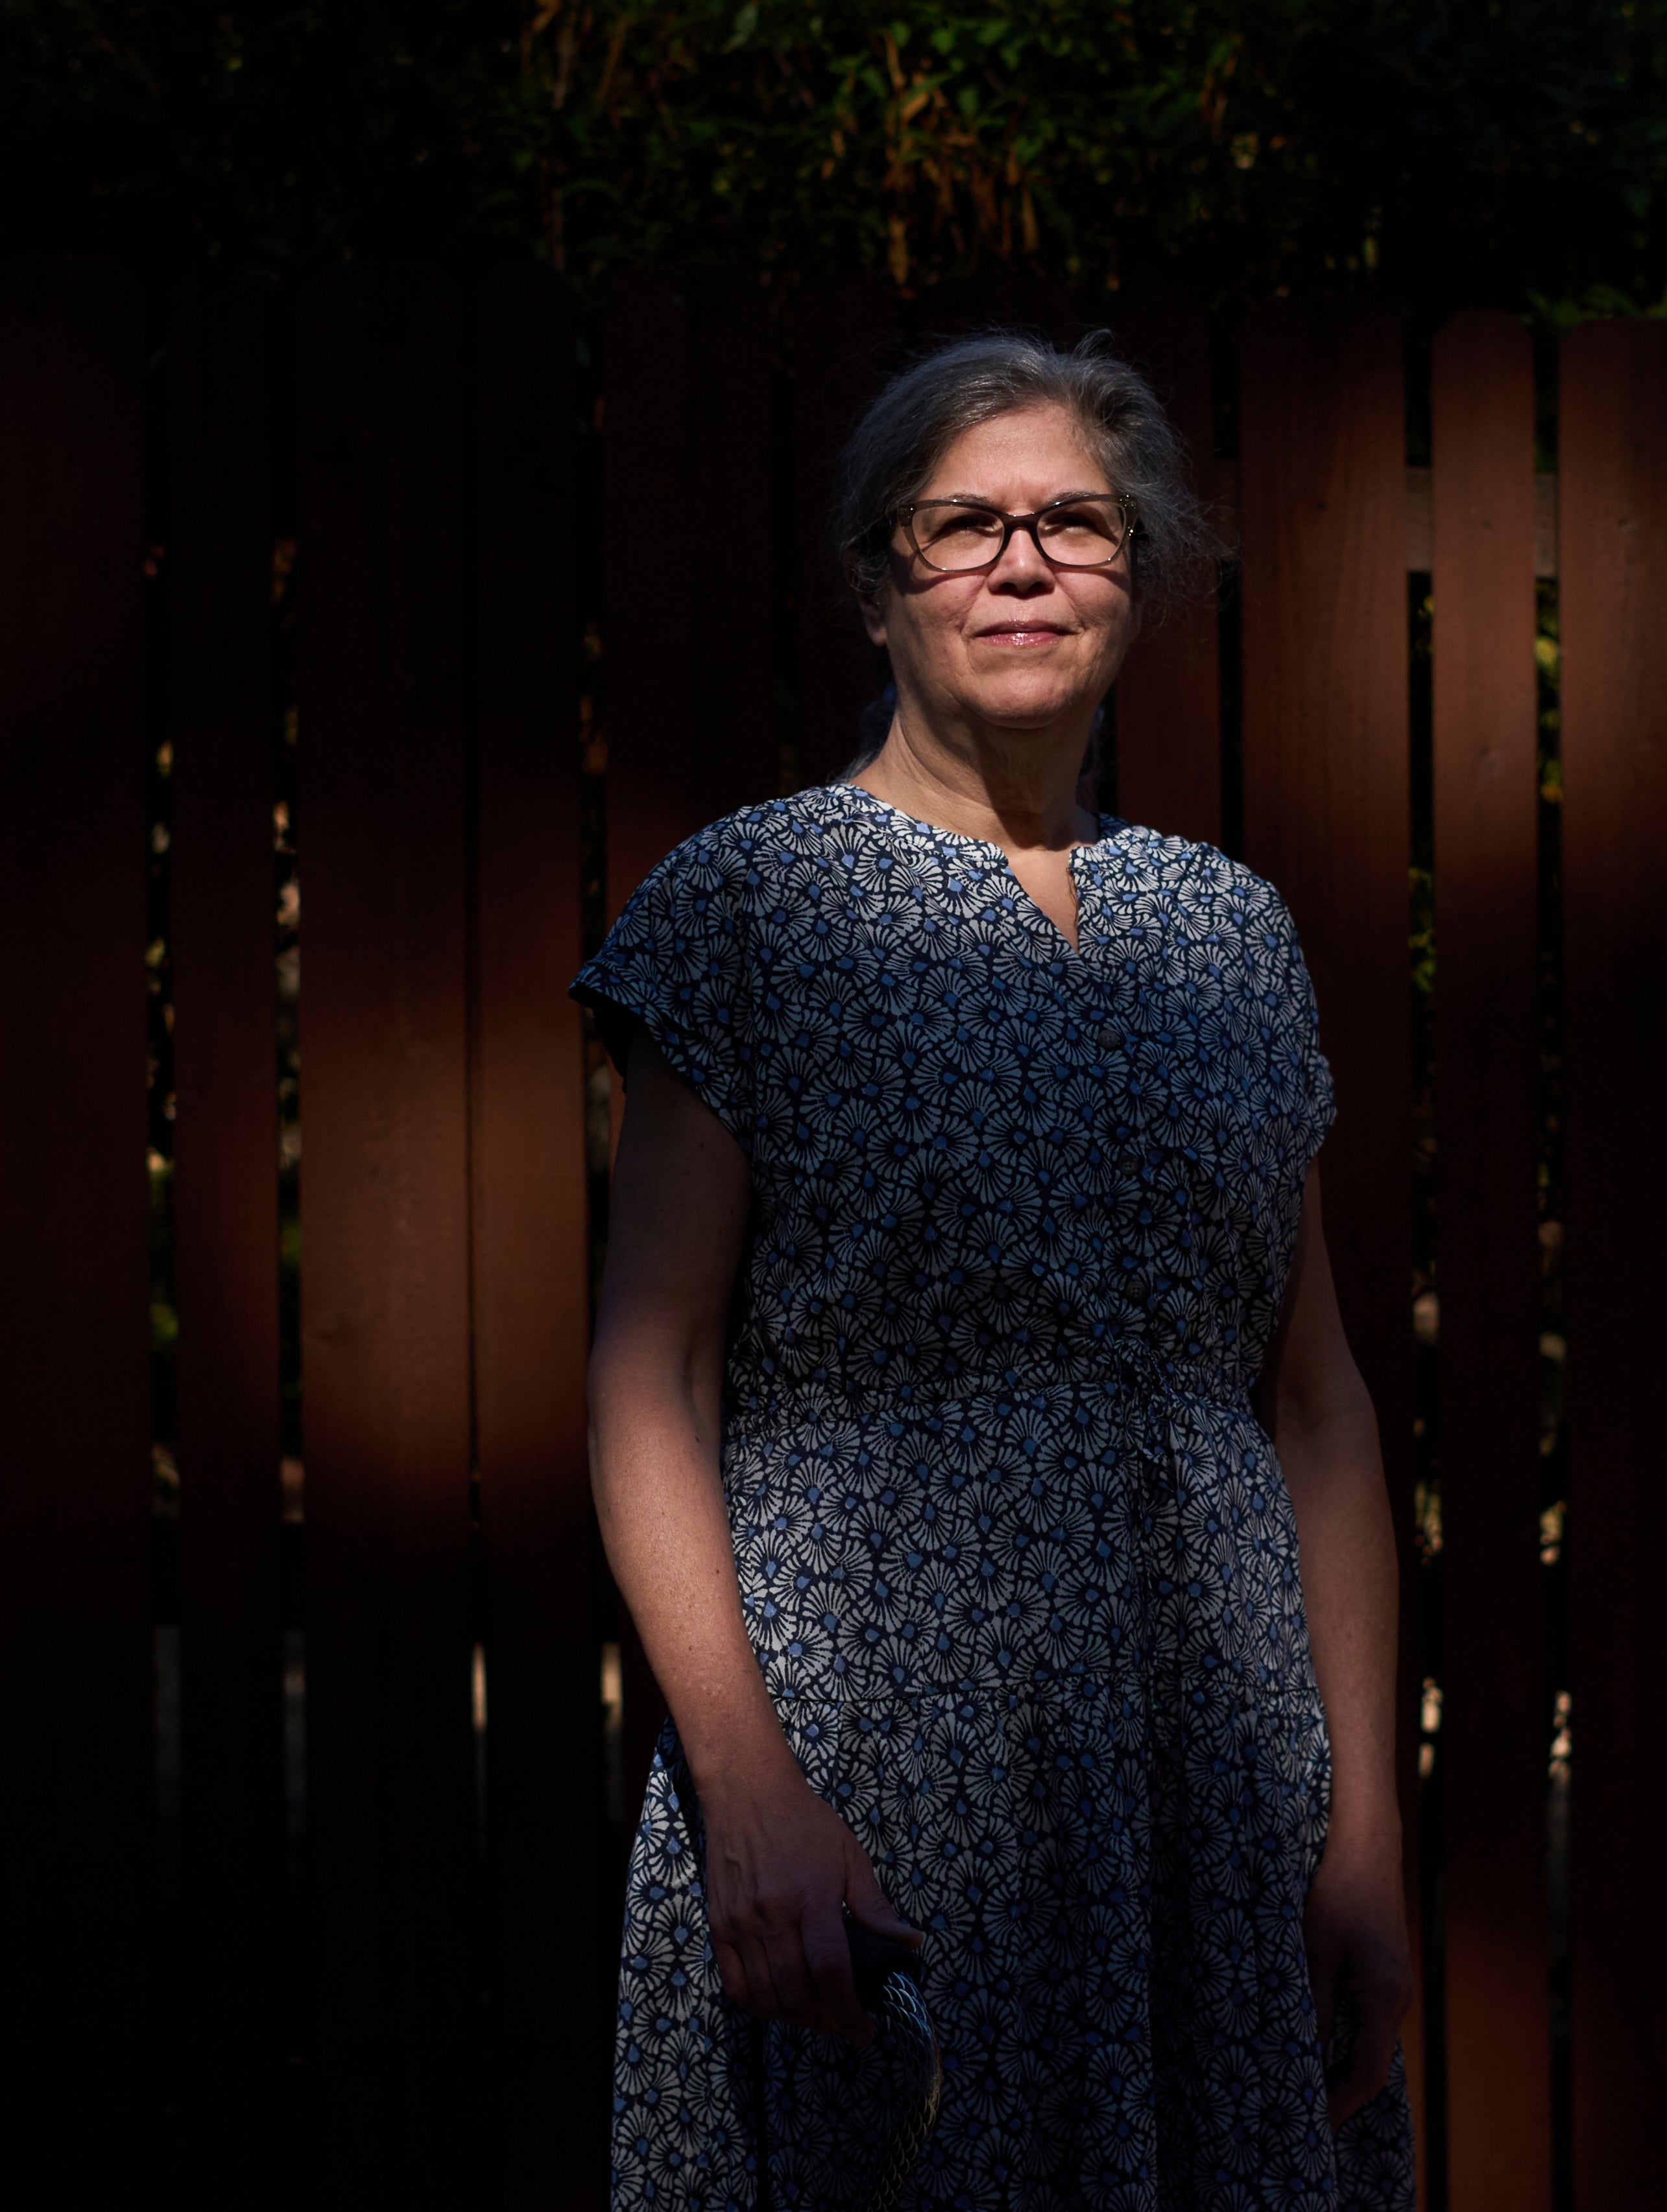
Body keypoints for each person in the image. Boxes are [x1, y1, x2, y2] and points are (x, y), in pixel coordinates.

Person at [578, 330, 1416, 2209]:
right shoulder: (751, 901)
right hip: (865, 1756)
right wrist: (750, 1792)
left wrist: (1359, 1825)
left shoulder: (1228, 932)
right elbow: (650, 1372)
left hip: (1209, 1777)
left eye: (1074, 524)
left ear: (1138, 582)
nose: (1021, 564)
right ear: (878, 591)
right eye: (961, 526)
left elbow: (1314, 1403)